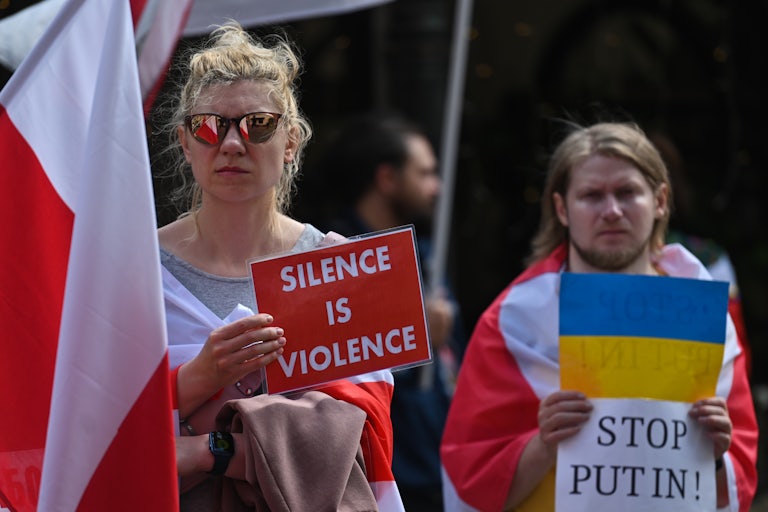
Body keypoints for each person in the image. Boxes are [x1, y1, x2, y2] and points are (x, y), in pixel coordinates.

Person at [440, 121, 758, 511]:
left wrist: (713, 454)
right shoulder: (513, 321)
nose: (611, 211)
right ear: (562, 209)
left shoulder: (705, 318)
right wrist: (545, 445)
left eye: (627, 193)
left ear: (660, 200)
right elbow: (470, 482)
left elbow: (738, 479)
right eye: (592, 195)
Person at [158, 24, 403, 511]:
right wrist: (197, 378)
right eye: (208, 126)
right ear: (186, 144)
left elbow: (369, 436)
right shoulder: (133, 273)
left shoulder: (339, 266)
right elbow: (88, 425)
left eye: (258, 125)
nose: (231, 144)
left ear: (290, 142)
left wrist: (214, 450)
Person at [315, 112, 464, 511]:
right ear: (387, 179)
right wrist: (415, 337)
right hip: (391, 481)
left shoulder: (427, 254)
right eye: (425, 173)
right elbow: (331, 378)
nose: (438, 187)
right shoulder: (334, 260)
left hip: (441, 472)